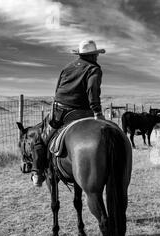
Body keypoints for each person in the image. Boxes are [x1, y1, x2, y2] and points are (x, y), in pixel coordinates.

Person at [31, 40, 106, 187]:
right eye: (95, 54)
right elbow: (93, 90)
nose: (97, 57)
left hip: (61, 110)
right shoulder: (94, 68)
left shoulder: (67, 68)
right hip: (83, 112)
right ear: (92, 55)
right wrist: (97, 112)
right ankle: (38, 173)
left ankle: (38, 173)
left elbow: (58, 88)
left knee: (41, 138)